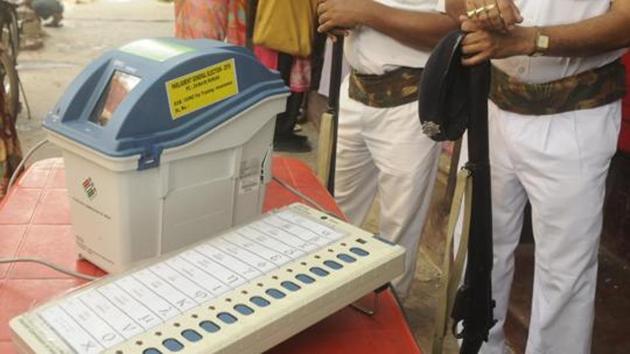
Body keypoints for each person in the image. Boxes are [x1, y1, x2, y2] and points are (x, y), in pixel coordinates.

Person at [444, 0, 630, 352]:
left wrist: (532, 40)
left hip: (574, 112)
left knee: (565, 271)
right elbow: (453, 5)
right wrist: (479, 7)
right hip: (493, 103)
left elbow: (626, 21)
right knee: (476, 243)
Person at [317, 0, 455, 299]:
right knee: (333, 210)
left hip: (409, 105)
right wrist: (332, 14)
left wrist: (366, 12)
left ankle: (389, 314)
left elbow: (453, 28)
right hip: (354, 91)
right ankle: (327, 301)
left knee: (399, 224)